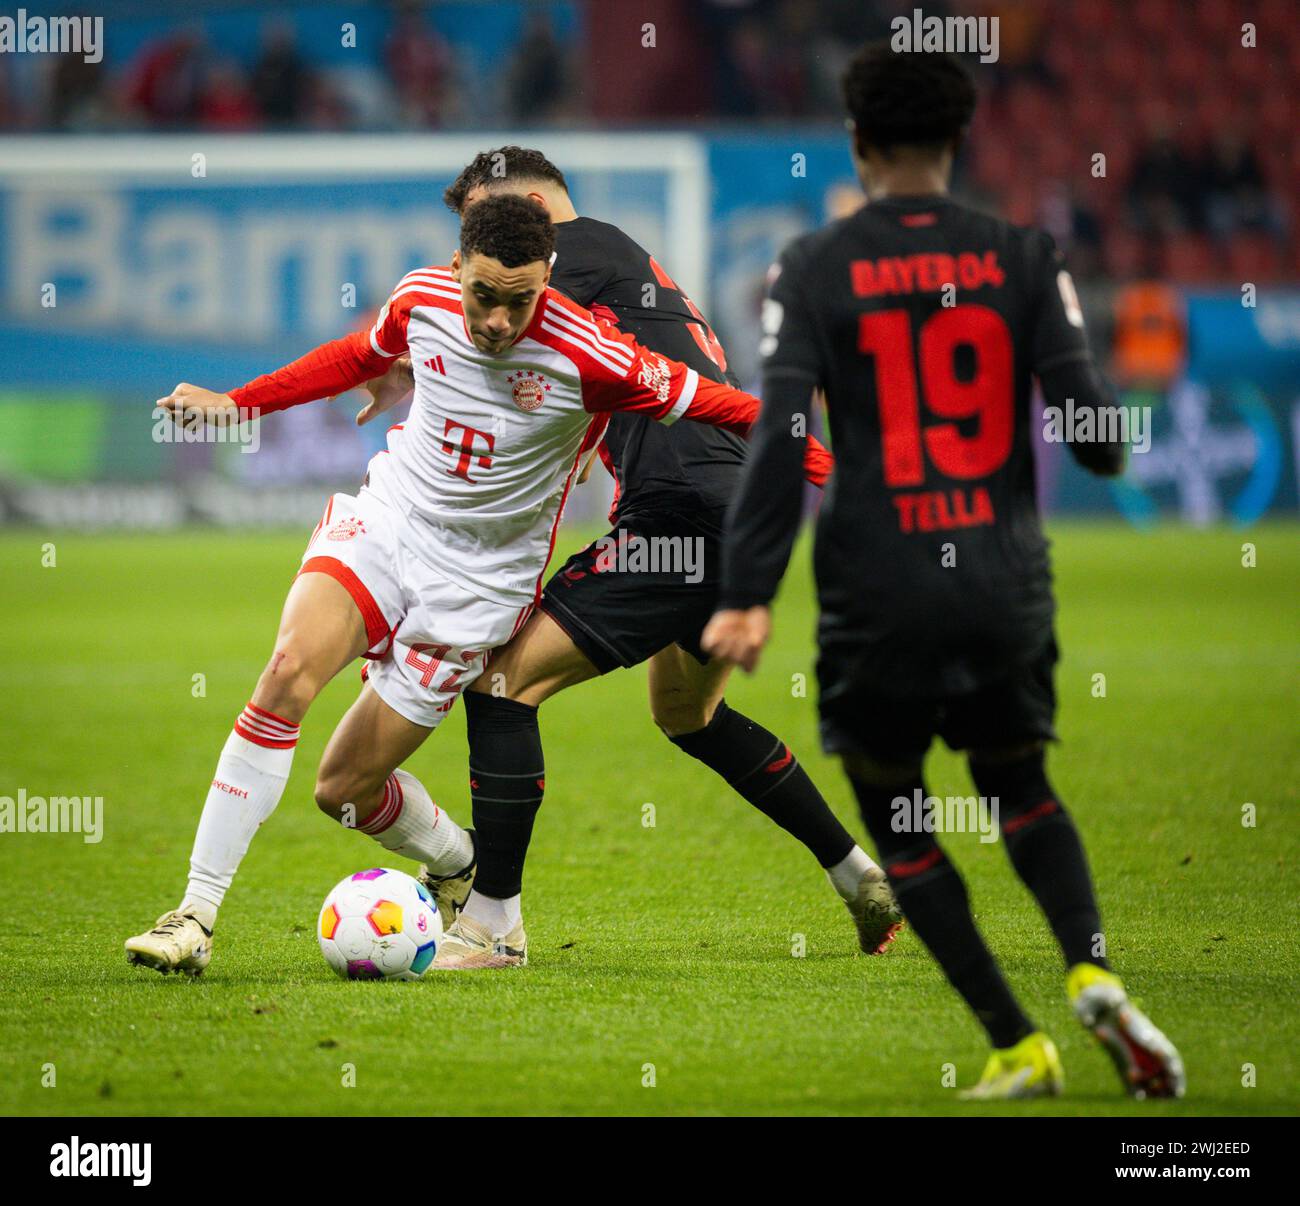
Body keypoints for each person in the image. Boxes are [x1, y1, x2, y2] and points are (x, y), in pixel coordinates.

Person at [123, 194, 823, 975]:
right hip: (390, 524)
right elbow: (356, 356)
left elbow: (735, 410)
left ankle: (456, 862)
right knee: (287, 670)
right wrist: (236, 404)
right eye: (482, 295)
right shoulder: (422, 298)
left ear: (547, 281)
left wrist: (850, 475)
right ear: (457, 267)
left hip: (478, 587)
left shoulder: (596, 354)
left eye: (518, 301)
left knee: (345, 789)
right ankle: (194, 915)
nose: (496, 320)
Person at [702, 43, 1185, 1100]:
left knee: (899, 812)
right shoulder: (1025, 253)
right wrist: (1116, 402)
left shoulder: (814, 267)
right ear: (959, 140)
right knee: (1020, 783)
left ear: (857, 142)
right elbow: (1097, 441)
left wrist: (745, 595)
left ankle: (1016, 1041)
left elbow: (782, 443)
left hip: (879, 590)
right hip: (1003, 583)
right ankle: (1091, 966)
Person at [359, 147, 901, 969]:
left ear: (534, 206)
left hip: (680, 514)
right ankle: (860, 875)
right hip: (744, 515)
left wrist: (399, 359)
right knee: (687, 715)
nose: (482, 252)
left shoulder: (565, 257)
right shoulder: (625, 264)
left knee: (504, 683)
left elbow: (483, 342)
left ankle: (495, 924)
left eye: (486, 224)